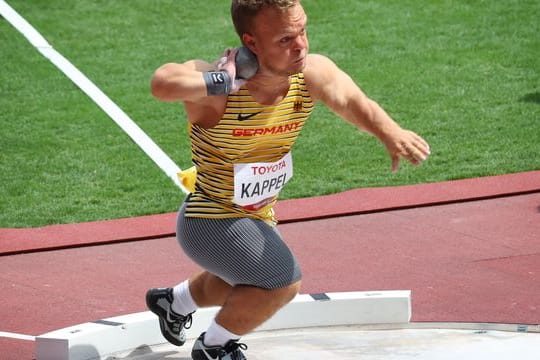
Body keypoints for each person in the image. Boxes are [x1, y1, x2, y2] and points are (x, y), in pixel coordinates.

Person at [145, 0, 431, 359]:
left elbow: (352, 100)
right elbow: (162, 83)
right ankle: (214, 347)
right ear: (252, 42)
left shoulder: (311, 74)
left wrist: (390, 132)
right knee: (281, 281)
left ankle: (173, 303)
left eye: (303, 31)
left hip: (256, 213)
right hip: (210, 217)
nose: (301, 46)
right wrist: (223, 80)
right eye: (284, 39)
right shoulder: (219, 92)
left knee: (245, 279)